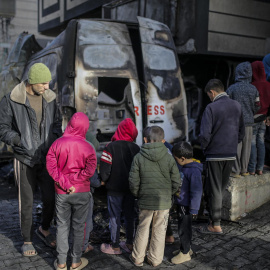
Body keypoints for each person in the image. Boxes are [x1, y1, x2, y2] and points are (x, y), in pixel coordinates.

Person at [0, 63, 62, 256]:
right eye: (44, 83)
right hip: (24, 158)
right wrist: (18, 141)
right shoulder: (10, 100)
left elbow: (57, 124)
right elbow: (2, 128)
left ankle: (44, 229)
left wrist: (55, 141)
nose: (47, 87)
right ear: (32, 82)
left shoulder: (51, 100)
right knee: (26, 201)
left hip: (47, 158)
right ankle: (27, 239)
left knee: (51, 198)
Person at [46, 112, 97, 270]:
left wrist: (66, 184)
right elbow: (90, 169)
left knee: (61, 226)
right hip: (82, 192)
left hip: (62, 192)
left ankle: (61, 263)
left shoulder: (57, 144)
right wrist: (77, 180)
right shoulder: (88, 146)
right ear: (85, 127)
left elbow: (51, 166)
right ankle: (75, 262)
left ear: (69, 125)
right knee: (79, 226)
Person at [129, 126, 180, 267]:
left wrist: (138, 194)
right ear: (163, 141)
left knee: (143, 227)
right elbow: (176, 180)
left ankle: (138, 258)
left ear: (145, 139)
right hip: (163, 201)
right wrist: (169, 193)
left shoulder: (138, 157)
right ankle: (155, 260)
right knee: (159, 230)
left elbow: (133, 182)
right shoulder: (169, 157)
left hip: (145, 200)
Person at [199, 79, 245, 234]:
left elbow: (205, 135)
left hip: (214, 154)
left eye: (209, 96)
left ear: (212, 92)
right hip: (230, 154)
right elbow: (242, 133)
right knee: (220, 187)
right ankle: (213, 219)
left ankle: (215, 224)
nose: (209, 98)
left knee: (215, 189)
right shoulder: (237, 106)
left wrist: (205, 149)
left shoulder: (211, 108)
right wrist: (231, 144)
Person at [99, 118, 140, 255]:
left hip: (114, 189)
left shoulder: (110, 147)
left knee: (114, 217)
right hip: (131, 189)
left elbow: (105, 171)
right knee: (130, 216)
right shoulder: (136, 148)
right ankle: (129, 243)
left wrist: (104, 180)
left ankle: (115, 246)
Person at [170, 141, 203, 264]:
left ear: (182, 158)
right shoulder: (186, 167)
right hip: (182, 204)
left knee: (183, 230)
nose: (175, 161)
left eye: (176, 158)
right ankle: (186, 249)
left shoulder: (193, 171)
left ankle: (184, 253)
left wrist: (194, 209)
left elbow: (197, 191)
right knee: (184, 228)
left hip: (187, 206)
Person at [226, 62, 260, 177]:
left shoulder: (232, 89)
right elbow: (258, 105)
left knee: (236, 147)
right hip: (249, 122)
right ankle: (244, 170)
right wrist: (251, 113)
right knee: (247, 147)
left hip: (235, 123)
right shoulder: (254, 89)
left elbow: (226, 104)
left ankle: (235, 171)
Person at [248, 61, 270, 175]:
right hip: (264, 118)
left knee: (252, 143)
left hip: (254, 118)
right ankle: (260, 168)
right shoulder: (268, 85)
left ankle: (251, 169)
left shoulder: (252, 85)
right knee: (261, 142)